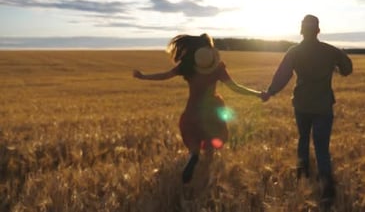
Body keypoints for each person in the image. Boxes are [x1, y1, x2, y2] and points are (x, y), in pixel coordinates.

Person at [133, 33, 262, 183]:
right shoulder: (218, 68)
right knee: (211, 140)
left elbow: (164, 75)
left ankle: (194, 154)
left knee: (193, 134)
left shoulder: (187, 65)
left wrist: (143, 76)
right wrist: (258, 94)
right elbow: (235, 87)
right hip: (213, 108)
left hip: (193, 108)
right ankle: (206, 179)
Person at [261, 14, 352, 207]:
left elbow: (282, 76)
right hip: (323, 106)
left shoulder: (294, 51)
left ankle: (302, 173)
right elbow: (347, 68)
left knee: (303, 138)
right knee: (321, 146)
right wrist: (336, 64)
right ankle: (327, 188)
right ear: (318, 31)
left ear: (301, 31)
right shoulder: (330, 51)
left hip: (301, 105)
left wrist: (270, 92)